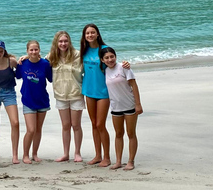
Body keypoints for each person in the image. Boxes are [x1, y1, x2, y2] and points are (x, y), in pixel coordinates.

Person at [101, 47, 143, 170]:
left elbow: (134, 86)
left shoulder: (124, 67)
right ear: (102, 60)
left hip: (129, 105)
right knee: (118, 134)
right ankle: (118, 161)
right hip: (115, 107)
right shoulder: (105, 71)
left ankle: (130, 161)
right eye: (107, 58)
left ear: (115, 56)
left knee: (131, 133)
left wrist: (138, 104)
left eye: (112, 56)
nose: (110, 59)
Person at [47, 31, 84, 163]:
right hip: (60, 95)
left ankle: (77, 153)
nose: (63, 44)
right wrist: (23, 58)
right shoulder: (52, 56)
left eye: (65, 41)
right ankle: (66, 153)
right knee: (66, 125)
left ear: (69, 42)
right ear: (56, 43)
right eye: (60, 41)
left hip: (76, 94)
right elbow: (36, 61)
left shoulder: (78, 55)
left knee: (76, 125)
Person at [80, 23, 112, 167]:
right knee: (93, 124)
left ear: (97, 34)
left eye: (93, 32)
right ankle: (98, 155)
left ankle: (107, 157)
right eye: (87, 33)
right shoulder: (84, 50)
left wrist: (126, 66)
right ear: (84, 36)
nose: (90, 35)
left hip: (103, 92)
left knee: (100, 124)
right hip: (89, 90)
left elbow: (113, 64)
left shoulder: (104, 50)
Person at [16, 40, 52, 164]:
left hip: (42, 100)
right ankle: (25, 155)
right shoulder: (23, 63)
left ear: (39, 50)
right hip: (28, 100)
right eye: (31, 50)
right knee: (30, 129)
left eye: (36, 49)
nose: (33, 52)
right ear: (27, 51)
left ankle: (35, 154)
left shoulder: (45, 64)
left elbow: (51, 79)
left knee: (38, 129)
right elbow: (17, 76)